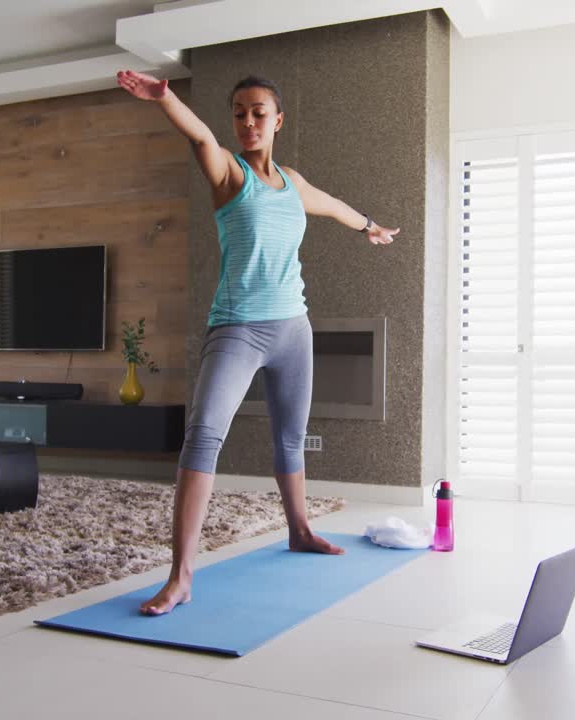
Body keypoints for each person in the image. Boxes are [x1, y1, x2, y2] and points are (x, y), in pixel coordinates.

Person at [115, 70, 399, 616]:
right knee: (203, 437)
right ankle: (181, 577)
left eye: (258, 113)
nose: (248, 121)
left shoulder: (292, 182)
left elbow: (331, 204)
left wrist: (369, 225)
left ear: (278, 121)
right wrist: (165, 97)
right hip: (238, 329)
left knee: (291, 439)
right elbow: (200, 136)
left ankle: (299, 529)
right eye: (239, 113)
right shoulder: (228, 172)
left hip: (293, 328)